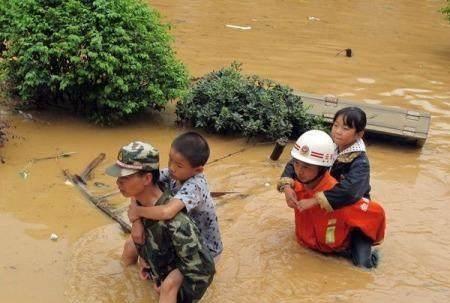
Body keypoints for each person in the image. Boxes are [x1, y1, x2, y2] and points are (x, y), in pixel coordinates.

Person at [106, 141, 215, 302]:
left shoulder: (177, 223)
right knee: (130, 245)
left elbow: (204, 270)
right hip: (164, 249)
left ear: (147, 178)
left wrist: (174, 288)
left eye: (125, 178)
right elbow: (138, 199)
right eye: (118, 177)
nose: (118, 183)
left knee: (167, 288)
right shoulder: (148, 192)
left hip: (196, 253)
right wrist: (137, 227)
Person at [279, 129, 385, 268]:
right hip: (311, 247)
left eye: (306, 166)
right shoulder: (296, 187)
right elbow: (292, 169)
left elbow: (376, 213)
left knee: (364, 268)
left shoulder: (339, 197)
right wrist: (286, 187)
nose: (299, 171)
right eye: (297, 164)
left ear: (322, 168)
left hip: (337, 249)